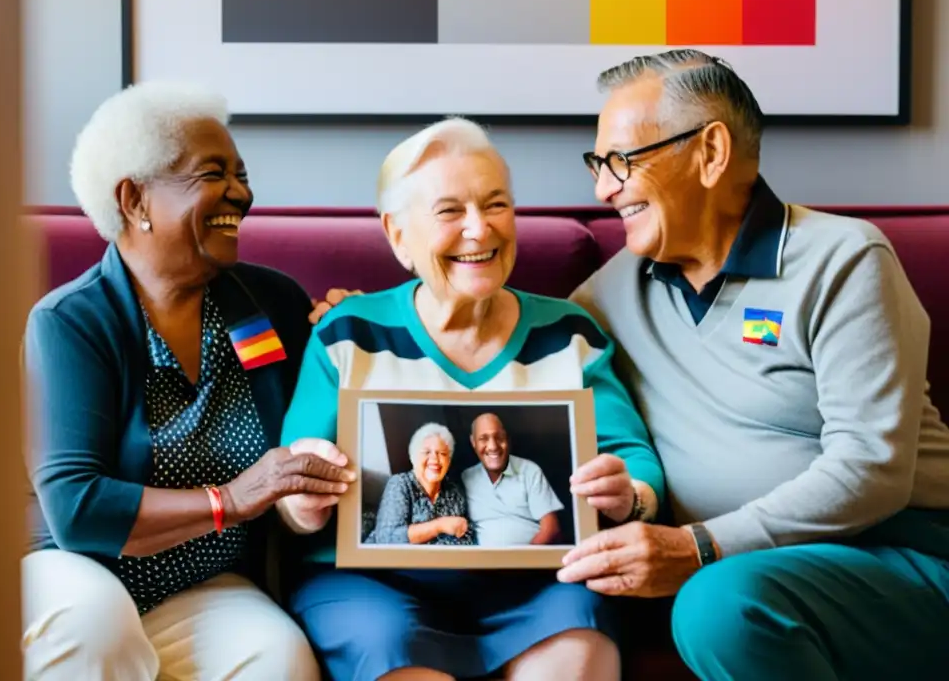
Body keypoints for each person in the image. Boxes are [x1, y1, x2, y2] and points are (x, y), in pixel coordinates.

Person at [552, 50, 949, 679]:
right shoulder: (610, 295)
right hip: (746, 575)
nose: (604, 187)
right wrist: (362, 320)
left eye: (622, 161)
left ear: (710, 152)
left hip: (902, 553)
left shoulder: (842, 259)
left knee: (718, 605)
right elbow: (507, 343)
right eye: (599, 165)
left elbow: (872, 469)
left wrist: (699, 546)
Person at [275, 117, 666, 681]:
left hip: (539, 582)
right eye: (450, 211)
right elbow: (292, 482)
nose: (480, 231)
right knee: (389, 648)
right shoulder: (347, 332)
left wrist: (628, 494)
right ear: (398, 234)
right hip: (374, 587)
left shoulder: (569, 332)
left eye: (497, 205)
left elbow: (635, 459)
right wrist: (303, 503)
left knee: (581, 646)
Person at [21, 81, 354, 681]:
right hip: (78, 569)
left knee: (278, 659)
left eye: (242, 174)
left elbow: (318, 431)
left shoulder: (269, 302)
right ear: (134, 199)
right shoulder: (71, 323)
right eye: (213, 173)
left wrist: (353, 338)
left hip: (202, 580)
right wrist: (231, 499)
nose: (242, 193)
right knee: (95, 626)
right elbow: (76, 507)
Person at [460, 412, 565, 546]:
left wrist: (523, 561)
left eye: (498, 437)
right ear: (473, 442)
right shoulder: (466, 478)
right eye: (483, 439)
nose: (493, 446)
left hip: (532, 561)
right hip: (484, 564)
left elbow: (551, 528)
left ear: (507, 439)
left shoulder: (529, 470)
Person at [366, 423, 475, 546]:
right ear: (413, 457)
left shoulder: (454, 491)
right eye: (426, 452)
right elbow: (387, 538)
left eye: (442, 454)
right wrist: (439, 525)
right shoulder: (400, 484)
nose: (434, 459)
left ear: (448, 461)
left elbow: (466, 536)